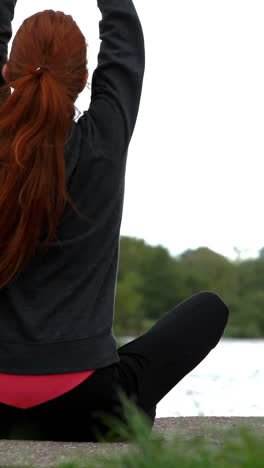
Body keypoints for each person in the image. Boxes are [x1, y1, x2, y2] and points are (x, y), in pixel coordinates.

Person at [0, 0, 229, 442]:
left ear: (8, 72)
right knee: (209, 309)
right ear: (84, 80)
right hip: (88, 407)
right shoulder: (103, 139)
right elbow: (125, 48)